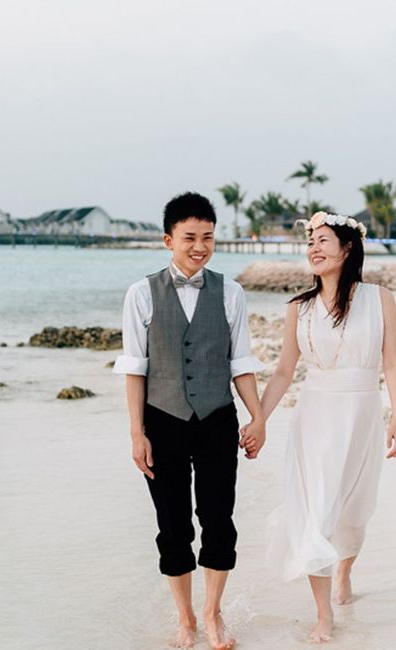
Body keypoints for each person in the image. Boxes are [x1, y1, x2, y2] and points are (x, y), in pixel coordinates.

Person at [114, 192, 266, 649]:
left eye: (208, 237)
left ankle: (213, 613)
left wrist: (257, 418)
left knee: (219, 519)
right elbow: (134, 368)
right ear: (168, 240)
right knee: (173, 525)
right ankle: (185, 619)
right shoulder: (141, 294)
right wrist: (137, 433)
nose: (200, 246)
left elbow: (240, 362)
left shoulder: (231, 293)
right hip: (162, 422)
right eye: (189, 238)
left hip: (218, 419)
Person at [246, 211, 396, 643]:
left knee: (353, 511)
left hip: (362, 414)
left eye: (322, 240)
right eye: (310, 241)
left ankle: (345, 571)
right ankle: (322, 614)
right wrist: (258, 417)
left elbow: (391, 362)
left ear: (347, 248)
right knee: (315, 511)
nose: (313, 248)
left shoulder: (380, 299)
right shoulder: (299, 309)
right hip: (314, 418)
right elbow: (282, 372)